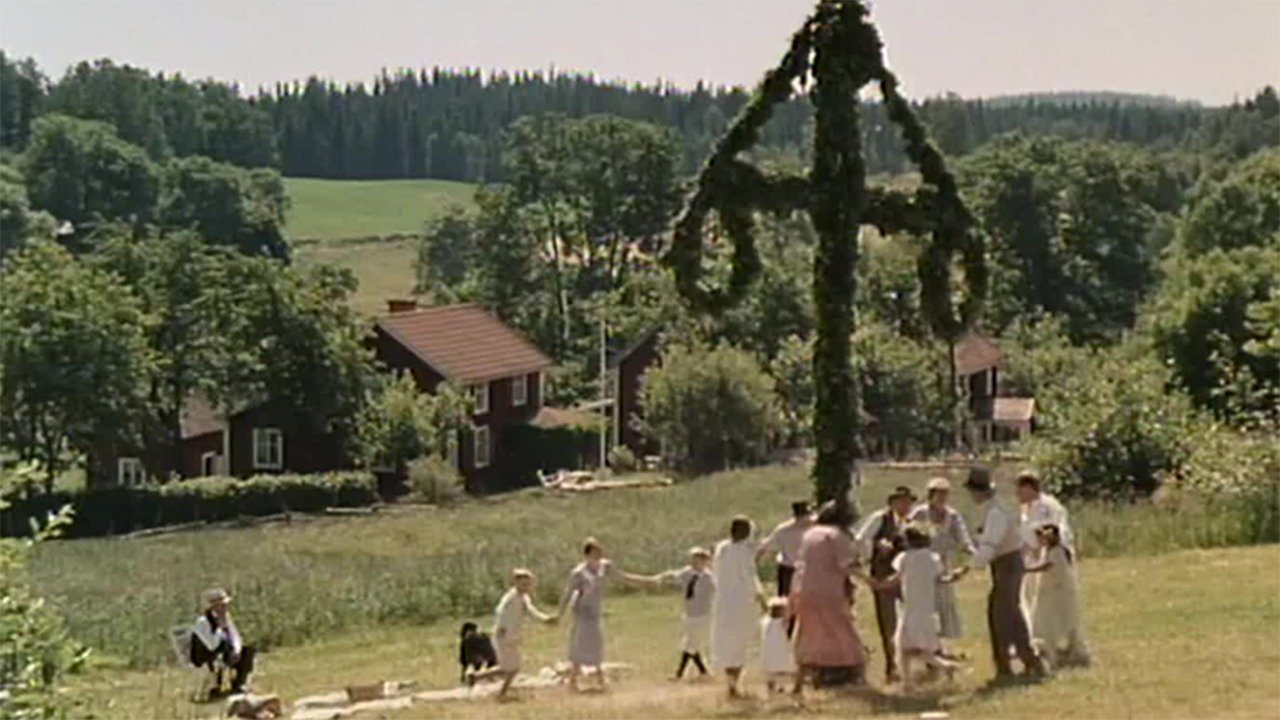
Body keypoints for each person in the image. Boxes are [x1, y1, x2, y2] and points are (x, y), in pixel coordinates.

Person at [965, 468, 1047, 683]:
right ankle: (1027, 659)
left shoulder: (996, 513)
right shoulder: (994, 509)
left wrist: (969, 567)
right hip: (1005, 563)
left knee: (1001, 614)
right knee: (1010, 613)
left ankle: (1008, 665)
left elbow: (991, 544)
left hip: (1007, 563)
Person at [791, 500, 869, 698]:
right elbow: (846, 564)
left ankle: (799, 683)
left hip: (804, 590)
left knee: (808, 635)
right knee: (845, 632)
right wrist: (870, 579)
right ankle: (859, 677)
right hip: (828, 592)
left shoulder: (809, 534)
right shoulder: (836, 536)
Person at [873, 526, 963, 691]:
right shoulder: (932, 558)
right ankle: (910, 681)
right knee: (911, 647)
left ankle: (944, 667)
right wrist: (954, 576)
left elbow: (895, 579)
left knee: (907, 647)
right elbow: (941, 579)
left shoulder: (904, 558)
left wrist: (878, 584)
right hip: (926, 609)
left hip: (910, 608)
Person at [623, 546, 716, 682]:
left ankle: (681, 674)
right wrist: (656, 579)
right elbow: (670, 575)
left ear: (704, 561)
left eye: (697, 559)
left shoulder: (709, 578)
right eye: (693, 558)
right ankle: (703, 672)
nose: (694, 561)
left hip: (702, 615)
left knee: (690, 644)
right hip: (689, 614)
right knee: (690, 645)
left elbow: (718, 592)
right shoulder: (687, 572)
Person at [853, 485, 916, 683]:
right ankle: (891, 666)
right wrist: (874, 546)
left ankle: (912, 663)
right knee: (887, 621)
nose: (906, 506)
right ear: (893, 503)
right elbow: (860, 539)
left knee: (913, 618)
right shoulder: (879, 518)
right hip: (883, 573)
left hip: (906, 574)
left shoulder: (913, 521)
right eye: (902, 501)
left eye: (908, 502)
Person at [467, 569, 557, 698]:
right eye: (523, 584)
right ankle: (499, 691)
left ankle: (477, 677)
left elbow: (531, 611)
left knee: (509, 668)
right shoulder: (510, 598)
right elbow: (500, 613)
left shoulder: (524, 598)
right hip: (503, 636)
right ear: (516, 583)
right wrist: (501, 628)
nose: (526, 587)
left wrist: (546, 619)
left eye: (528, 584)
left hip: (512, 636)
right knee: (511, 668)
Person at [909, 477, 976, 650]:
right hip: (922, 562)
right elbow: (908, 532)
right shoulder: (920, 513)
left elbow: (963, 537)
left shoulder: (952, 515)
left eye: (945, 494)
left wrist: (972, 551)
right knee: (924, 602)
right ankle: (924, 642)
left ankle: (939, 643)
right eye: (939, 494)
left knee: (943, 602)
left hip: (943, 563)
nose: (942, 498)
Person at [710, 515, 765, 698]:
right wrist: (761, 598)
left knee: (728, 642)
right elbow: (750, 577)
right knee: (739, 642)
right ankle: (733, 683)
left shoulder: (722, 548)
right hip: (741, 602)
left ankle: (731, 682)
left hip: (724, 601)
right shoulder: (742, 551)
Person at [558, 538, 620, 692]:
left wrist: (648, 581)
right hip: (582, 612)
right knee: (579, 646)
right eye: (595, 550)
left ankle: (599, 678)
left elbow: (623, 577)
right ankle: (573, 680)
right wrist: (559, 613)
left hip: (595, 610)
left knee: (597, 644)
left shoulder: (604, 566)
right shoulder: (579, 572)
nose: (599, 553)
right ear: (588, 553)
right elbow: (568, 593)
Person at [1026, 525, 1091, 667]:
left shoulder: (1058, 552)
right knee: (1047, 619)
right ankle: (1053, 648)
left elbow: (1046, 566)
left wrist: (1026, 570)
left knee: (1061, 620)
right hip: (1049, 591)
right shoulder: (1047, 551)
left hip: (1059, 593)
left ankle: (1069, 650)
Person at [1016, 471, 1076, 616]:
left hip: (1051, 557)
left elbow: (1058, 531)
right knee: (1031, 598)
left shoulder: (1049, 506)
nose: (1017, 493)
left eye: (1019, 489)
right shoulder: (1025, 509)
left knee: (1052, 600)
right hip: (1031, 556)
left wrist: (1044, 548)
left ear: (1028, 488)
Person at [190, 588, 255, 698]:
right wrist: (220, 627)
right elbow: (212, 645)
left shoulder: (225, 616)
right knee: (217, 658)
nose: (225, 608)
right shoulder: (202, 622)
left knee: (247, 652)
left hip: (223, 651)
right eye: (222, 605)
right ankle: (214, 687)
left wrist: (236, 650)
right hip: (206, 656)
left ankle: (239, 684)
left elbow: (235, 636)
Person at [757, 501, 813, 598]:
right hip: (805, 570)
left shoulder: (783, 529)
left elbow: (767, 545)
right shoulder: (816, 528)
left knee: (786, 601)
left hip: (789, 569)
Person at [759, 597, 795, 695]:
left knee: (774, 670)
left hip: (773, 650)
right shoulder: (777, 622)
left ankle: (776, 686)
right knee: (777, 670)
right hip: (776, 650)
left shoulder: (769, 621)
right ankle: (777, 686)